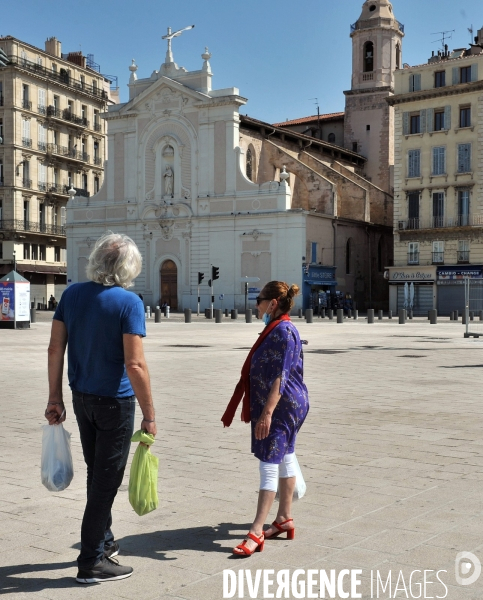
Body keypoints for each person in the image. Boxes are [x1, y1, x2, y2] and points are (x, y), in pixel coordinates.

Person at [44, 232, 157, 583]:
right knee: (106, 483)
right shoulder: (128, 303)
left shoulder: (72, 294)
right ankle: (91, 562)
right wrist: (150, 415)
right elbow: (135, 365)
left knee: (97, 474)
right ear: (129, 267)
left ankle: (104, 541)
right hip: (115, 403)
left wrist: (54, 398)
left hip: (81, 399)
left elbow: (54, 350)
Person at [221, 281, 309, 556]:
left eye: (259, 299)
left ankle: (257, 530)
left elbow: (280, 377)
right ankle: (284, 518)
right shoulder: (276, 329)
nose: (256, 304)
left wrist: (267, 414)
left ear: (273, 302)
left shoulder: (282, 332)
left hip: (281, 407)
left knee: (269, 463)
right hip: (286, 405)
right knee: (284, 456)